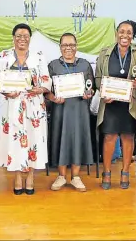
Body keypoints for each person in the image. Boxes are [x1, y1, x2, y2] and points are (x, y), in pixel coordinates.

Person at [0, 23, 52, 195]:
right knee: (15, 142)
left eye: (26, 36)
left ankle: (31, 177)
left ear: (30, 39)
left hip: (34, 106)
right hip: (12, 107)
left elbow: (47, 81)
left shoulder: (39, 57)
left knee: (34, 141)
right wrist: (5, 90)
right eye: (19, 36)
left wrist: (40, 89)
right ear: (13, 38)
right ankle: (18, 177)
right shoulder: (4, 57)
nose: (22, 39)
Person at [94, 20, 136, 190]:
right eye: (122, 31)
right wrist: (104, 92)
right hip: (111, 103)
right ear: (116, 33)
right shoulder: (105, 53)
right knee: (109, 136)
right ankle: (107, 172)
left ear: (133, 35)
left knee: (128, 136)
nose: (125, 35)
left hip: (131, 103)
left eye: (129, 32)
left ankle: (125, 172)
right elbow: (98, 79)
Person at [46, 33, 95, 192]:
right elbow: (47, 90)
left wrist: (89, 93)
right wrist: (53, 98)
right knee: (61, 138)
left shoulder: (85, 65)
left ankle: (75, 177)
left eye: (72, 45)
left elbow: (91, 87)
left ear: (76, 46)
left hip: (79, 109)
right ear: (60, 47)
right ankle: (61, 176)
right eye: (65, 45)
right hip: (61, 109)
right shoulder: (53, 65)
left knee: (78, 139)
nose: (68, 48)